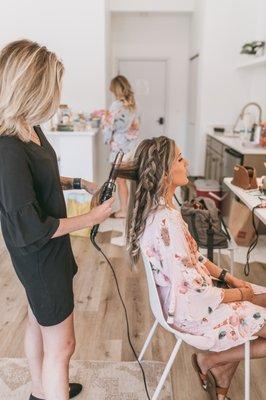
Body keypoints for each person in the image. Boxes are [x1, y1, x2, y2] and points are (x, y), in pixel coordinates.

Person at [0, 39, 114, 400]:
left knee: (39, 321)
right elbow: (31, 227)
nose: (56, 96)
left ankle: (42, 390)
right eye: (52, 87)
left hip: (49, 253)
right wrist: (94, 216)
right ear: (31, 89)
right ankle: (53, 387)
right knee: (63, 346)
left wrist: (79, 183)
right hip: (39, 255)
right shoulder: (7, 149)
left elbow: (39, 180)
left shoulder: (29, 128)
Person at [113, 136, 266, 400]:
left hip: (191, 300)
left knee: (261, 297)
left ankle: (222, 369)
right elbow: (194, 293)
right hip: (193, 312)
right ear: (164, 173)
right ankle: (209, 360)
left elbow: (195, 258)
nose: (188, 163)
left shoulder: (162, 211)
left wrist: (228, 277)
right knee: (256, 301)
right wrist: (241, 294)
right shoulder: (166, 223)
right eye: (180, 159)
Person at [102, 75, 139, 218]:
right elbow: (134, 126)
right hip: (131, 146)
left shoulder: (116, 105)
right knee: (130, 180)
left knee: (120, 180)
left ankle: (124, 210)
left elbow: (110, 126)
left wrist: (105, 118)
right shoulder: (132, 105)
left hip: (119, 148)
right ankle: (132, 209)